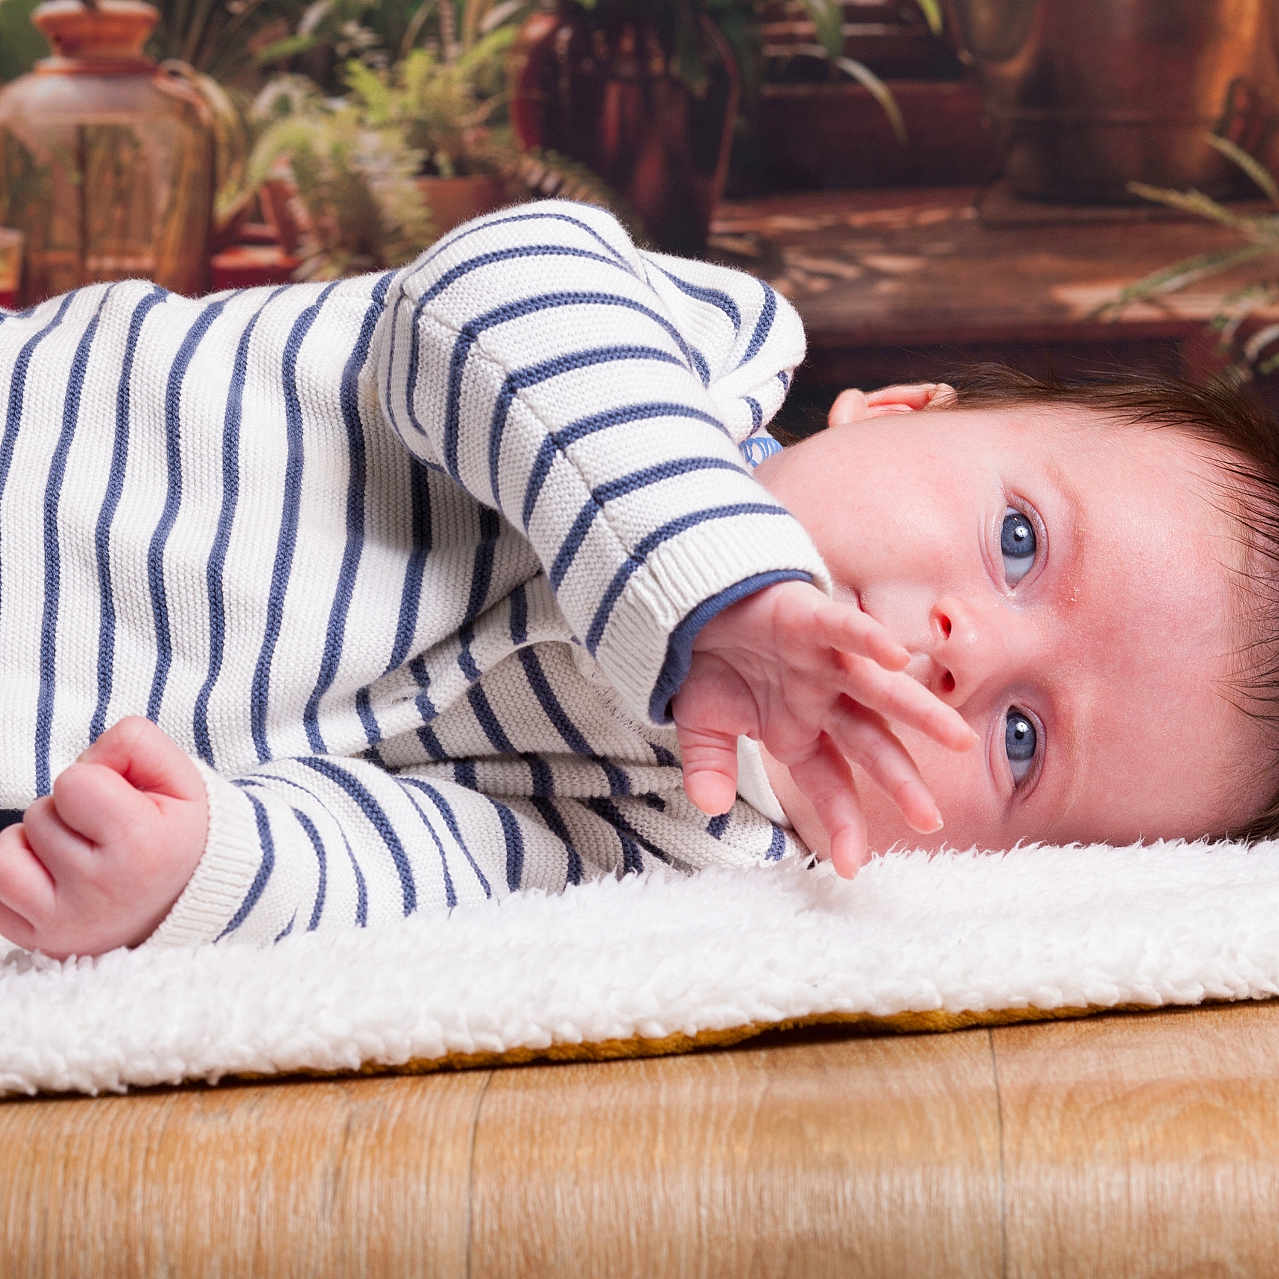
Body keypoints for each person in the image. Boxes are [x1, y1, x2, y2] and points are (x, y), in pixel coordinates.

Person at [0, 200, 1273, 960]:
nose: (963, 650)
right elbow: (472, 299)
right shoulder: (691, 352)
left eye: (1016, 738)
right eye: (1017, 544)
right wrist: (718, 582)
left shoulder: (685, 836)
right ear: (892, 410)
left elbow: (422, 865)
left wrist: (209, 861)